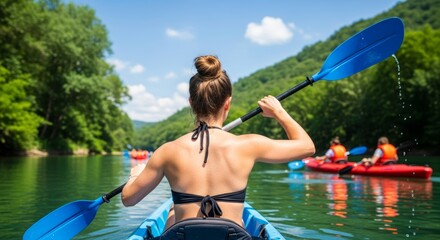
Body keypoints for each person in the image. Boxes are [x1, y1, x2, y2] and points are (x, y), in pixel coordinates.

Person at [121, 55, 315, 234]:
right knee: (238, 224)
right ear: (227, 103)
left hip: (184, 236)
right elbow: (307, 147)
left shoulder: (168, 151)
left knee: (173, 212)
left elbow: (129, 199)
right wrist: (279, 112)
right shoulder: (249, 145)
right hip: (232, 236)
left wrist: (135, 175)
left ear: (191, 102)